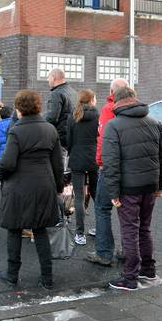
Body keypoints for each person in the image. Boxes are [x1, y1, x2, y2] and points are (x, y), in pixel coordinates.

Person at [101, 86, 162, 291]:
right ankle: (148, 269)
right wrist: (160, 184)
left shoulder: (113, 126)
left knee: (129, 230)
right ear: (134, 99)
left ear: (117, 102)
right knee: (144, 228)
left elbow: (110, 162)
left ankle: (130, 278)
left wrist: (113, 192)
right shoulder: (154, 122)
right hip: (150, 185)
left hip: (128, 189)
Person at [0, 90, 65, 290]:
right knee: (41, 230)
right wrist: (58, 187)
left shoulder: (16, 131)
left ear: (19, 109)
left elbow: (7, 163)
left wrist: (1, 177)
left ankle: (12, 275)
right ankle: (47, 277)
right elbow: (58, 164)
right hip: (44, 185)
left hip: (18, 187)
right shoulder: (50, 129)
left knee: (15, 230)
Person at [86, 78, 129, 267]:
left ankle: (104, 252)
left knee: (102, 208)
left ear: (112, 91)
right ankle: (128, 250)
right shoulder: (135, 110)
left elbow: (102, 139)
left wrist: (100, 162)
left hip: (110, 167)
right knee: (128, 211)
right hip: (131, 168)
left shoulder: (107, 109)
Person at [67, 89, 100, 246]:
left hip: (77, 159)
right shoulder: (98, 116)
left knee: (79, 198)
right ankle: (100, 227)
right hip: (93, 158)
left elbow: (69, 140)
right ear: (91, 100)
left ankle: (80, 234)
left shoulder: (73, 116)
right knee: (97, 195)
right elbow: (98, 138)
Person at [44, 67, 77, 149]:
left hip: (59, 138)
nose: (47, 80)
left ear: (53, 77)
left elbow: (52, 117)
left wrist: (38, 119)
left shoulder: (56, 93)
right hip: (71, 137)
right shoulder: (73, 92)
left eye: (48, 77)